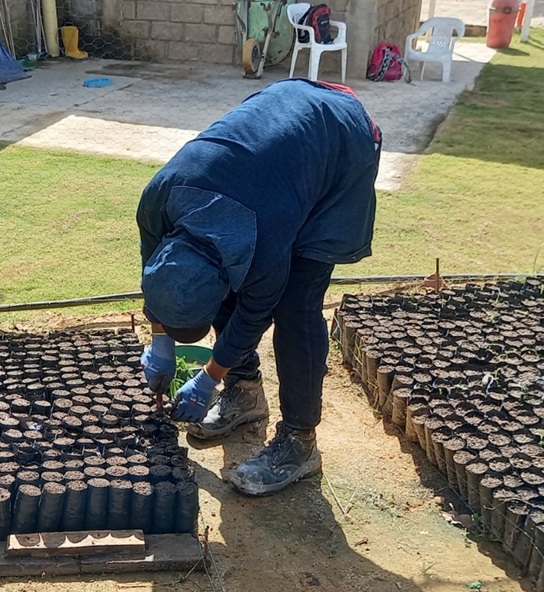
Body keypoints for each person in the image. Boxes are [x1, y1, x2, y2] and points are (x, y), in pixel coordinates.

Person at [137, 78, 381, 496]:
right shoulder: (158, 198)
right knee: (217, 278)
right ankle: (245, 393)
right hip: (275, 146)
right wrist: (160, 339)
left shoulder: (264, 247)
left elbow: (253, 316)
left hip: (339, 142)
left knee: (296, 308)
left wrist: (208, 378)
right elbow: (154, 267)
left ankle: (300, 442)